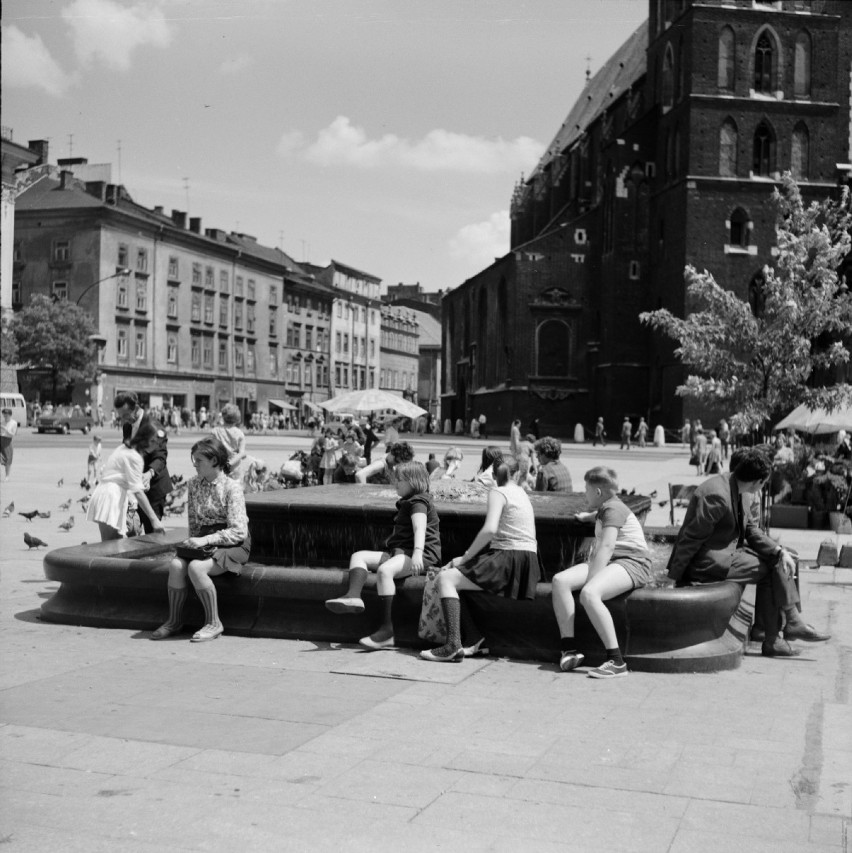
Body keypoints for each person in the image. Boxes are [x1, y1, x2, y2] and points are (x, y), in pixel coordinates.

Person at [667, 447, 829, 657]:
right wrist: (673, 578)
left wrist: (779, 551)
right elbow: (691, 539)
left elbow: (751, 530)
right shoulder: (717, 495)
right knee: (771, 569)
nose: (763, 488)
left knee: (778, 559)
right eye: (764, 483)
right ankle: (779, 632)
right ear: (756, 481)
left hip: (727, 552)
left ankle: (779, 631)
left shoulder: (738, 488)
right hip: (707, 563)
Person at [420, 455, 539, 662]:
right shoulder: (522, 492)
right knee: (457, 580)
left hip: (508, 558)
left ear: (493, 475)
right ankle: (473, 638)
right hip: (526, 560)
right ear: (518, 474)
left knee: (446, 579)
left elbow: (490, 529)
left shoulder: (498, 492)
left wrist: (465, 557)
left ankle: (452, 645)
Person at [325, 461, 441, 650]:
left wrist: (419, 553)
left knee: (385, 571)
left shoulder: (418, 502)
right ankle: (353, 596)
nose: (395, 483)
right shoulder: (409, 501)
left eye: (399, 480)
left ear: (413, 481)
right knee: (359, 556)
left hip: (421, 555)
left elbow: (419, 527)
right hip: (401, 552)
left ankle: (387, 632)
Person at [551, 467, 653, 678]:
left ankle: (616, 661)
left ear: (598, 492)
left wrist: (591, 580)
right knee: (560, 581)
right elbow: (600, 516)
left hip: (633, 562)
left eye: (586, 489)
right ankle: (569, 650)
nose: (584, 493)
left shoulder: (613, 509)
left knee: (590, 594)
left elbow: (606, 547)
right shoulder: (608, 506)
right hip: (614, 562)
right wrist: (586, 517)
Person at [151, 437, 250, 642]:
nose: (194, 464)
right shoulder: (194, 484)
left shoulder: (232, 488)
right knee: (177, 565)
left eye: (199, 460)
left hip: (233, 543)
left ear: (214, 461)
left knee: (197, 568)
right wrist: (192, 544)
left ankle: (214, 623)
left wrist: (205, 541)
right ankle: (174, 621)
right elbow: (194, 523)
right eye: (193, 459)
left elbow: (239, 531)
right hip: (205, 540)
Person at [86, 423, 165, 540]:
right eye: (154, 441)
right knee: (110, 547)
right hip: (110, 498)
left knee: (115, 544)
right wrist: (154, 519)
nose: (157, 445)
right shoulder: (134, 456)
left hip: (108, 496)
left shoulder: (127, 449)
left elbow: (126, 479)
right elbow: (137, 491)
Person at [113, 391, 173, 531]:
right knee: (130, 531)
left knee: (151, 533)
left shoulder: (154, 426)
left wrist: (150, 473)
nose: (123, 420)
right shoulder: (127, 426)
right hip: (135, 488)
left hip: (153, 488)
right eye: (121, 416)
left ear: (136, 408)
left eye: (125, 415)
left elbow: (160, 456)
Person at [210, 403, 247, 482]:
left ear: (223, 416)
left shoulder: (215, 431)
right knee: (235, 491)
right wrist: (230, 463)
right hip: (234, 470)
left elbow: (211, 450)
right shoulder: (239, 434)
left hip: (218, 467)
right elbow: (241, 454)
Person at [1, 408, 19, 482]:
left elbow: (13, 434)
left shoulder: (13, 423)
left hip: (8, 441)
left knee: (8, 459)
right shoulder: (2, 422)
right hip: (1, 438)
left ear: (10, 415)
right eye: (4, 414)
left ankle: (7, 476)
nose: (5, 416)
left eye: (6, 414)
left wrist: (5, 429)